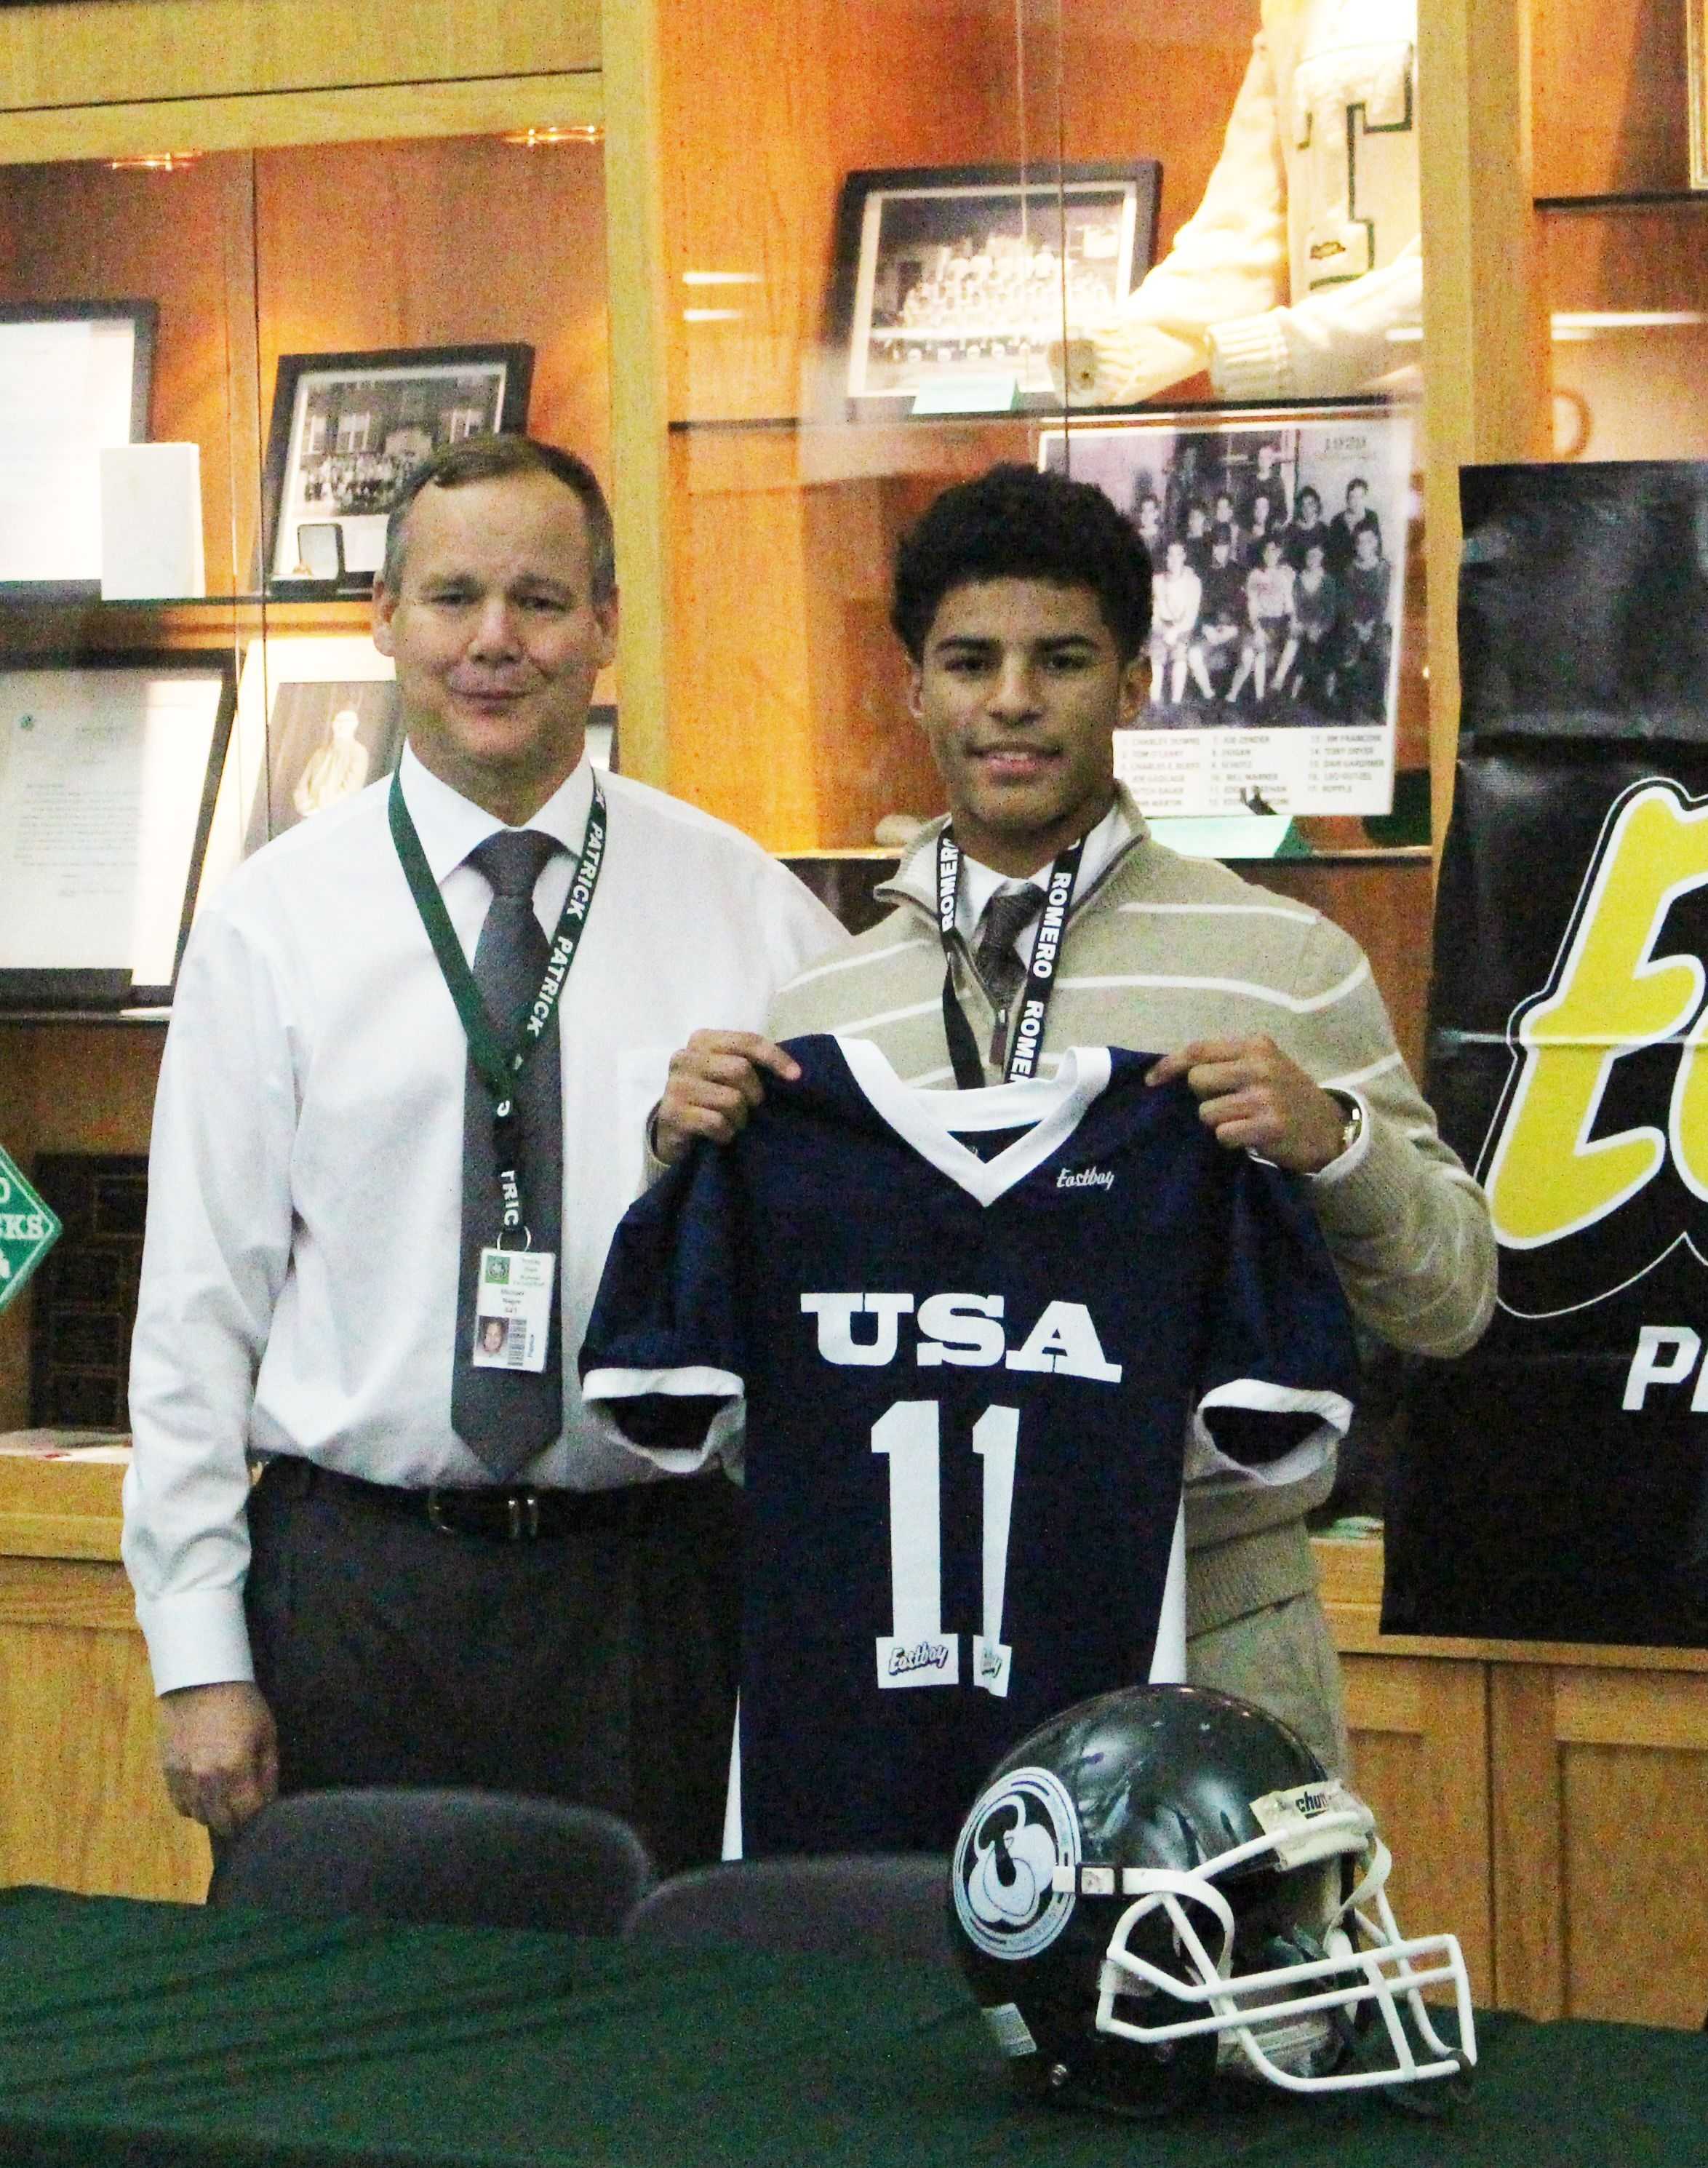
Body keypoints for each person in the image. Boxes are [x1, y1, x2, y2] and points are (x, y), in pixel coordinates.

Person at [651, 461, 1494, 1773]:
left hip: (1215, 1634)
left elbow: (1451, 1300)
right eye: (969, 660)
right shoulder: (824, 1003)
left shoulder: (1281, 959)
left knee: (1220, 1982)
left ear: (1135, 681)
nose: (1011, 702)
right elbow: (760, 1403)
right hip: (909, 1646)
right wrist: (693, 1171)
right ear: (912, 686)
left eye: (1061, 660)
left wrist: (1333, 1140)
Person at [122, 434, 846, 1868]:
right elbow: (199, 1310)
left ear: (607, 625)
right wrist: (199, 1650)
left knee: (643, 2034)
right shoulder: (276, 921)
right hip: (354, 1590)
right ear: (384, 620)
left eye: (540, 598)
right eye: (453, 598)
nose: (495, 643)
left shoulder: (745, 908)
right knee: (335, 2041)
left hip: (650, 1589)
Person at [1052, 0, 1421, 405]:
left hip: (1467, 419)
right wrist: (1114, 351)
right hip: (1329, 426)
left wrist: (1291, 352)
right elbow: (1245, 235)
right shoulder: (1293, 11)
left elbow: (1479, 261)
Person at [1149, 536, 1202, 708]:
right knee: (1156, 654)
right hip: (1161, 628)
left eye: (1178, 555)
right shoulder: (1157, 580)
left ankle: (1176, 704)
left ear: (1184, 557)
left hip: (1182, 629)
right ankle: (1155, 703)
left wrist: (1175, 631)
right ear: (1165, 557)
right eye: (1170, 555)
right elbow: (1155, 612)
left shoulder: (1193, 582)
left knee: (1180, 654)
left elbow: (1190, 617)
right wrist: (1164, 631)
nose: (1173, 560)